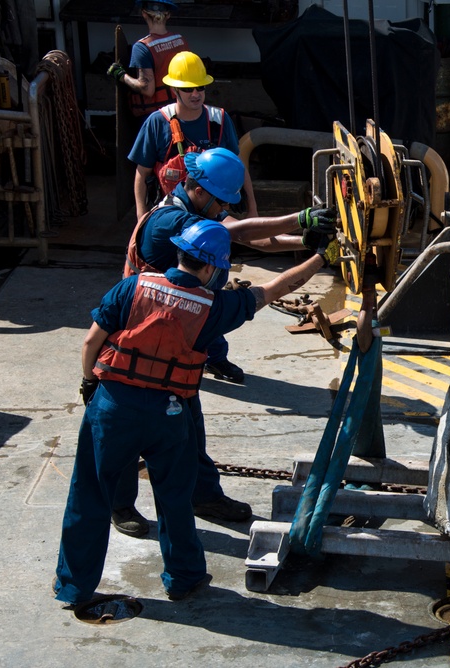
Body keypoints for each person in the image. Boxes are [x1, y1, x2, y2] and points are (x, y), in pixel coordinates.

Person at [54, 219, 334, 607]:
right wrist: (321, 256)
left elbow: (91, 341)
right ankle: (183, 577)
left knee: (89, 494)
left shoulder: (133, 286)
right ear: (210, 268)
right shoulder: (214, 308)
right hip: (170, 413)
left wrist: (90, 383)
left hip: (114, 406)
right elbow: (277, 287)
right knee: (175, 497)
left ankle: (74, 586)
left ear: (180, 254)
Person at [111, 147, 336, 537]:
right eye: (221, 201)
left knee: (187, 423)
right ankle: (119, 504)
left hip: (181, 335)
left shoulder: (201, 211)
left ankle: (203, 496)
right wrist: (299, 220)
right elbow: (239, 233)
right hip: (143, 333)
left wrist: (305, 238)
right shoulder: (172, 221)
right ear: (198, 190)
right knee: (128, 429)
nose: (223, 209)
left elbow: (255, 241)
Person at [128, 50, 259, 221]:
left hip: (213, 217)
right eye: (188, 89)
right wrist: (142, 217)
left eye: (200, 87)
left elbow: (239, 166)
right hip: (170, 215)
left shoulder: (219, 120)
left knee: (243, 235)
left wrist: (253, 209)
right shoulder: (157, 122)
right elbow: (142, 174)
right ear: (174, 90)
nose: (196, 94)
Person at [107, 0, 189, 120]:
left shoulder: (142, 48)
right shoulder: (181, 41)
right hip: (181, 110)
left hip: (157, 118)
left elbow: (147, 89)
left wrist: (121, 75)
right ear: (168, 15)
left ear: (144, 14)